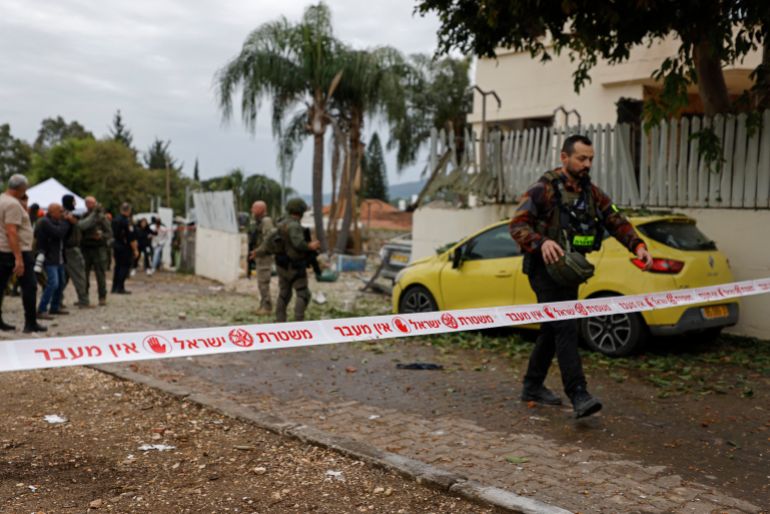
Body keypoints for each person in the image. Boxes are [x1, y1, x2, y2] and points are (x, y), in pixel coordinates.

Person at [509, 134, 653, 418]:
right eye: (581, 158)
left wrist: (638, 246)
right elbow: (517, 225)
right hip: (545, 270)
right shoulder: (543, 189)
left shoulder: (592, 193)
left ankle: (532, 385)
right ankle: (578, 393)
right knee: (565, 327)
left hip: (571, 270)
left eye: (590, 159)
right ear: (564, 158)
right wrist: (541, 242)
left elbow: (616, 220)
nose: (587, 164)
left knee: (552, 329)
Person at [0, 174, 46, 332]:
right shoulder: (12, 204)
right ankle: (30, 322)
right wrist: (18, 258)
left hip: (3, 250)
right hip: (16, 250)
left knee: (1, 286)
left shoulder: (2, 199)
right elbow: (11, 231)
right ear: (22, 188)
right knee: (30, 286)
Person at [272, 198, 320, 322]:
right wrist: (310, 246)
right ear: (301, 211)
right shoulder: (294, 225)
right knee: (303, 294)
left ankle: (280, 322)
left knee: (284, 294)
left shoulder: (280, 224)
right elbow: (298, 243)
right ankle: (299, 323)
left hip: (281, 264)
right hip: (294, 265)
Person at [35, 203, 73, 318]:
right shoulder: (45, 222)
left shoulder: (57, 222)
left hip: (59, 257)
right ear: (52, 212)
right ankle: (41, 309)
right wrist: (67, 222)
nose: (62, 213)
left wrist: (71, 224)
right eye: (60, 211)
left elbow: (66, 235)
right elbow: (59, 233)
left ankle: (54, 307)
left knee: (61, 283)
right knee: (53, 283)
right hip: (50, 258)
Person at [61, 194, 92, 308]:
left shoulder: (65, 214)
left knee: (63, 277)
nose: (75, 204)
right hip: (71, 250)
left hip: (65, 250)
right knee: (79, 275)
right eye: (73, 202)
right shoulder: (68, 216)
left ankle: (57, 300)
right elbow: (83, 225)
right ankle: (83, 301)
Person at [81, 196, 112, 306]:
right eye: (88, 203)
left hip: (99, 248)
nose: (90, 205)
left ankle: (102, 296)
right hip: (85, 248)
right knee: (84, 274)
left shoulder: (101, 218)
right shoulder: (83, 216)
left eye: (92, 203)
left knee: (100, 274)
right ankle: (84, 297)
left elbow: (109, 233)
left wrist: (101, 236)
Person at [247, 200, 275, 315]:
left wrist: (257, 252)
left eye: (254, 208)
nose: (252, 210)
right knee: (260, 282)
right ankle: (263, 304)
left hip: (264, 255)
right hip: (259, 254)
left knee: (263, 282)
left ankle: (267, 307)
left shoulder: (266, 221)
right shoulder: (257, 222)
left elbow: (268, 240)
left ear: (261, 210)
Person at [111, 202, 138, 294]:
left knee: (117, 267)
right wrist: (135, 249)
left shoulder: (115, 220)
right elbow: (131, 237)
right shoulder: (127, 222)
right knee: (124, 267)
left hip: (116, 245)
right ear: (129, 210)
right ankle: (120, 287)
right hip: (125, 247)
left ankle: (114, 287)